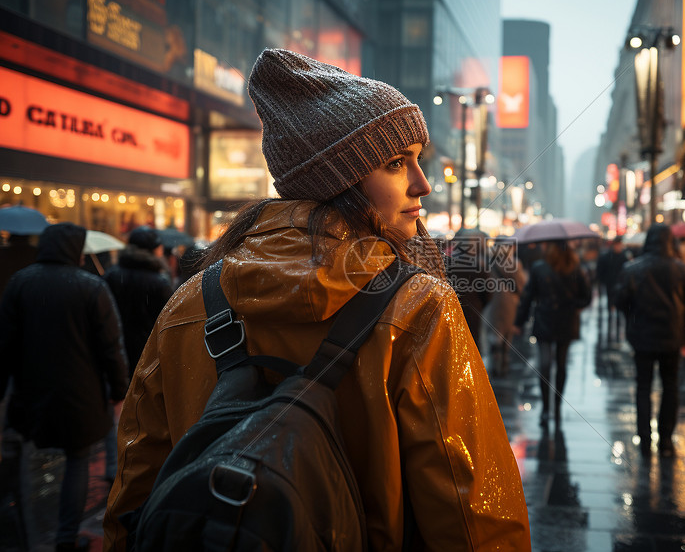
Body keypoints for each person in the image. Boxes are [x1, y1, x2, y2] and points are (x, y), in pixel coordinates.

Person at [103, 49, 530, 552]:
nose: (423, 183)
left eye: (418, 159)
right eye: (396, 163)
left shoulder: (190, 304)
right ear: (338, 180)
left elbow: (136, 492)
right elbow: (470, 512)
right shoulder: (418, 308)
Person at [0, 222, 128, 551]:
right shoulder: (90, 286)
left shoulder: (21, 283)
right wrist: (118, 387)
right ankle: (66, 537)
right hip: (80, 391)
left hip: (31, 388)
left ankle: (28, 531)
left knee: (26, 457)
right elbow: (110, 347)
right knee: (78, 459)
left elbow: (6, 344)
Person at [614, 224, 685, 457]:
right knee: (670, 386)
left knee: (643, 386)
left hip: (642, 336)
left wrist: (633, 317)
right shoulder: (683, 270)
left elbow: (621, 300)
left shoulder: (633, 269)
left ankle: (644, 439)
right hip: (672, 337)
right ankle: (665, 441)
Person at [514, 240, 592, 427]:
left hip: (545, 319)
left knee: (546, 365)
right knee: (561, 365)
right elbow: (586, 297)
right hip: (565, 321)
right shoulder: (574, 267)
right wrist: (574, 306)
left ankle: (547, 409)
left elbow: (528, 297)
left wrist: (520, 322)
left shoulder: (541, 267)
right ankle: (555, 407)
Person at [103, 225, 174, 378]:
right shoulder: (159, 282)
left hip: (116, 347)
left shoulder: (111, 275)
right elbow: (169, 319)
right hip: (148, 350)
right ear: (155, 250)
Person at [447, 227, 493, 355]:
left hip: (451, 310)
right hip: (474, 310)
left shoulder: (447, 263)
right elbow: (488, 292)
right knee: (472, 344)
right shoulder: (479, 265)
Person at [485, 237, 526, 377]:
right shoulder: (514, 263)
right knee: (507, 331)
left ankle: (494, 360)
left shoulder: (488, 262)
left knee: (495, 330)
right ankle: (503, 361)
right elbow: (521, 284)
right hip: (510, 301)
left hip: (493, 300)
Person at [595, 238, 630, 344]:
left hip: (619, 286)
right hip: (610, 285)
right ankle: (612, 329)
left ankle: (617, 330)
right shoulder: (607, 257)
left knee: (619, 308)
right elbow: (601, 271)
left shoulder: (623, 257)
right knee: (610, 306)